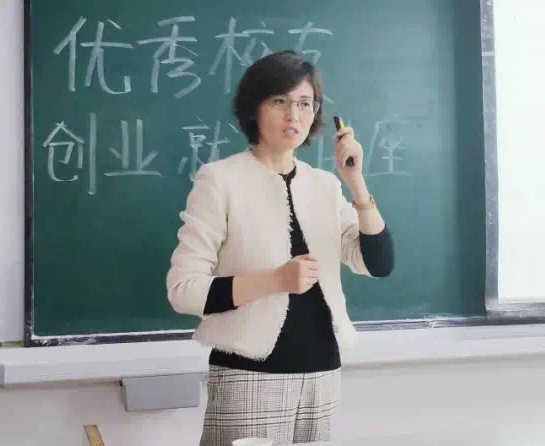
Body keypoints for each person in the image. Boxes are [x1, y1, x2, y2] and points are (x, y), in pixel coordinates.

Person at [166, 51, 394, 445]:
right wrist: (275, 280)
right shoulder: (220, 180)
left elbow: (378, 262)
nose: (294, 115)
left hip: (323, 375)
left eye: (305, 103)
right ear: (254, 108)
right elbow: (184, 291)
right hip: (250, 377)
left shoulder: (324, 186)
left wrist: (356, 183)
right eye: (280, 101)